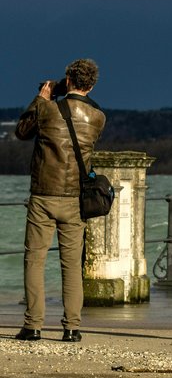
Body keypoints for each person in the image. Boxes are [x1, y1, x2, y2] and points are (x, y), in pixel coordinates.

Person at [14, 58, 106, 343]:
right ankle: (72, 328)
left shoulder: (47, 109)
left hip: (43, 194)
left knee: (35, 260)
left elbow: (21, 132)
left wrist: (41, 97)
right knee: (71, 265)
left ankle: (33, 325)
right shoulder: (99, 118)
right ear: (92, 85)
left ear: (67, 80)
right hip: (74, 199)